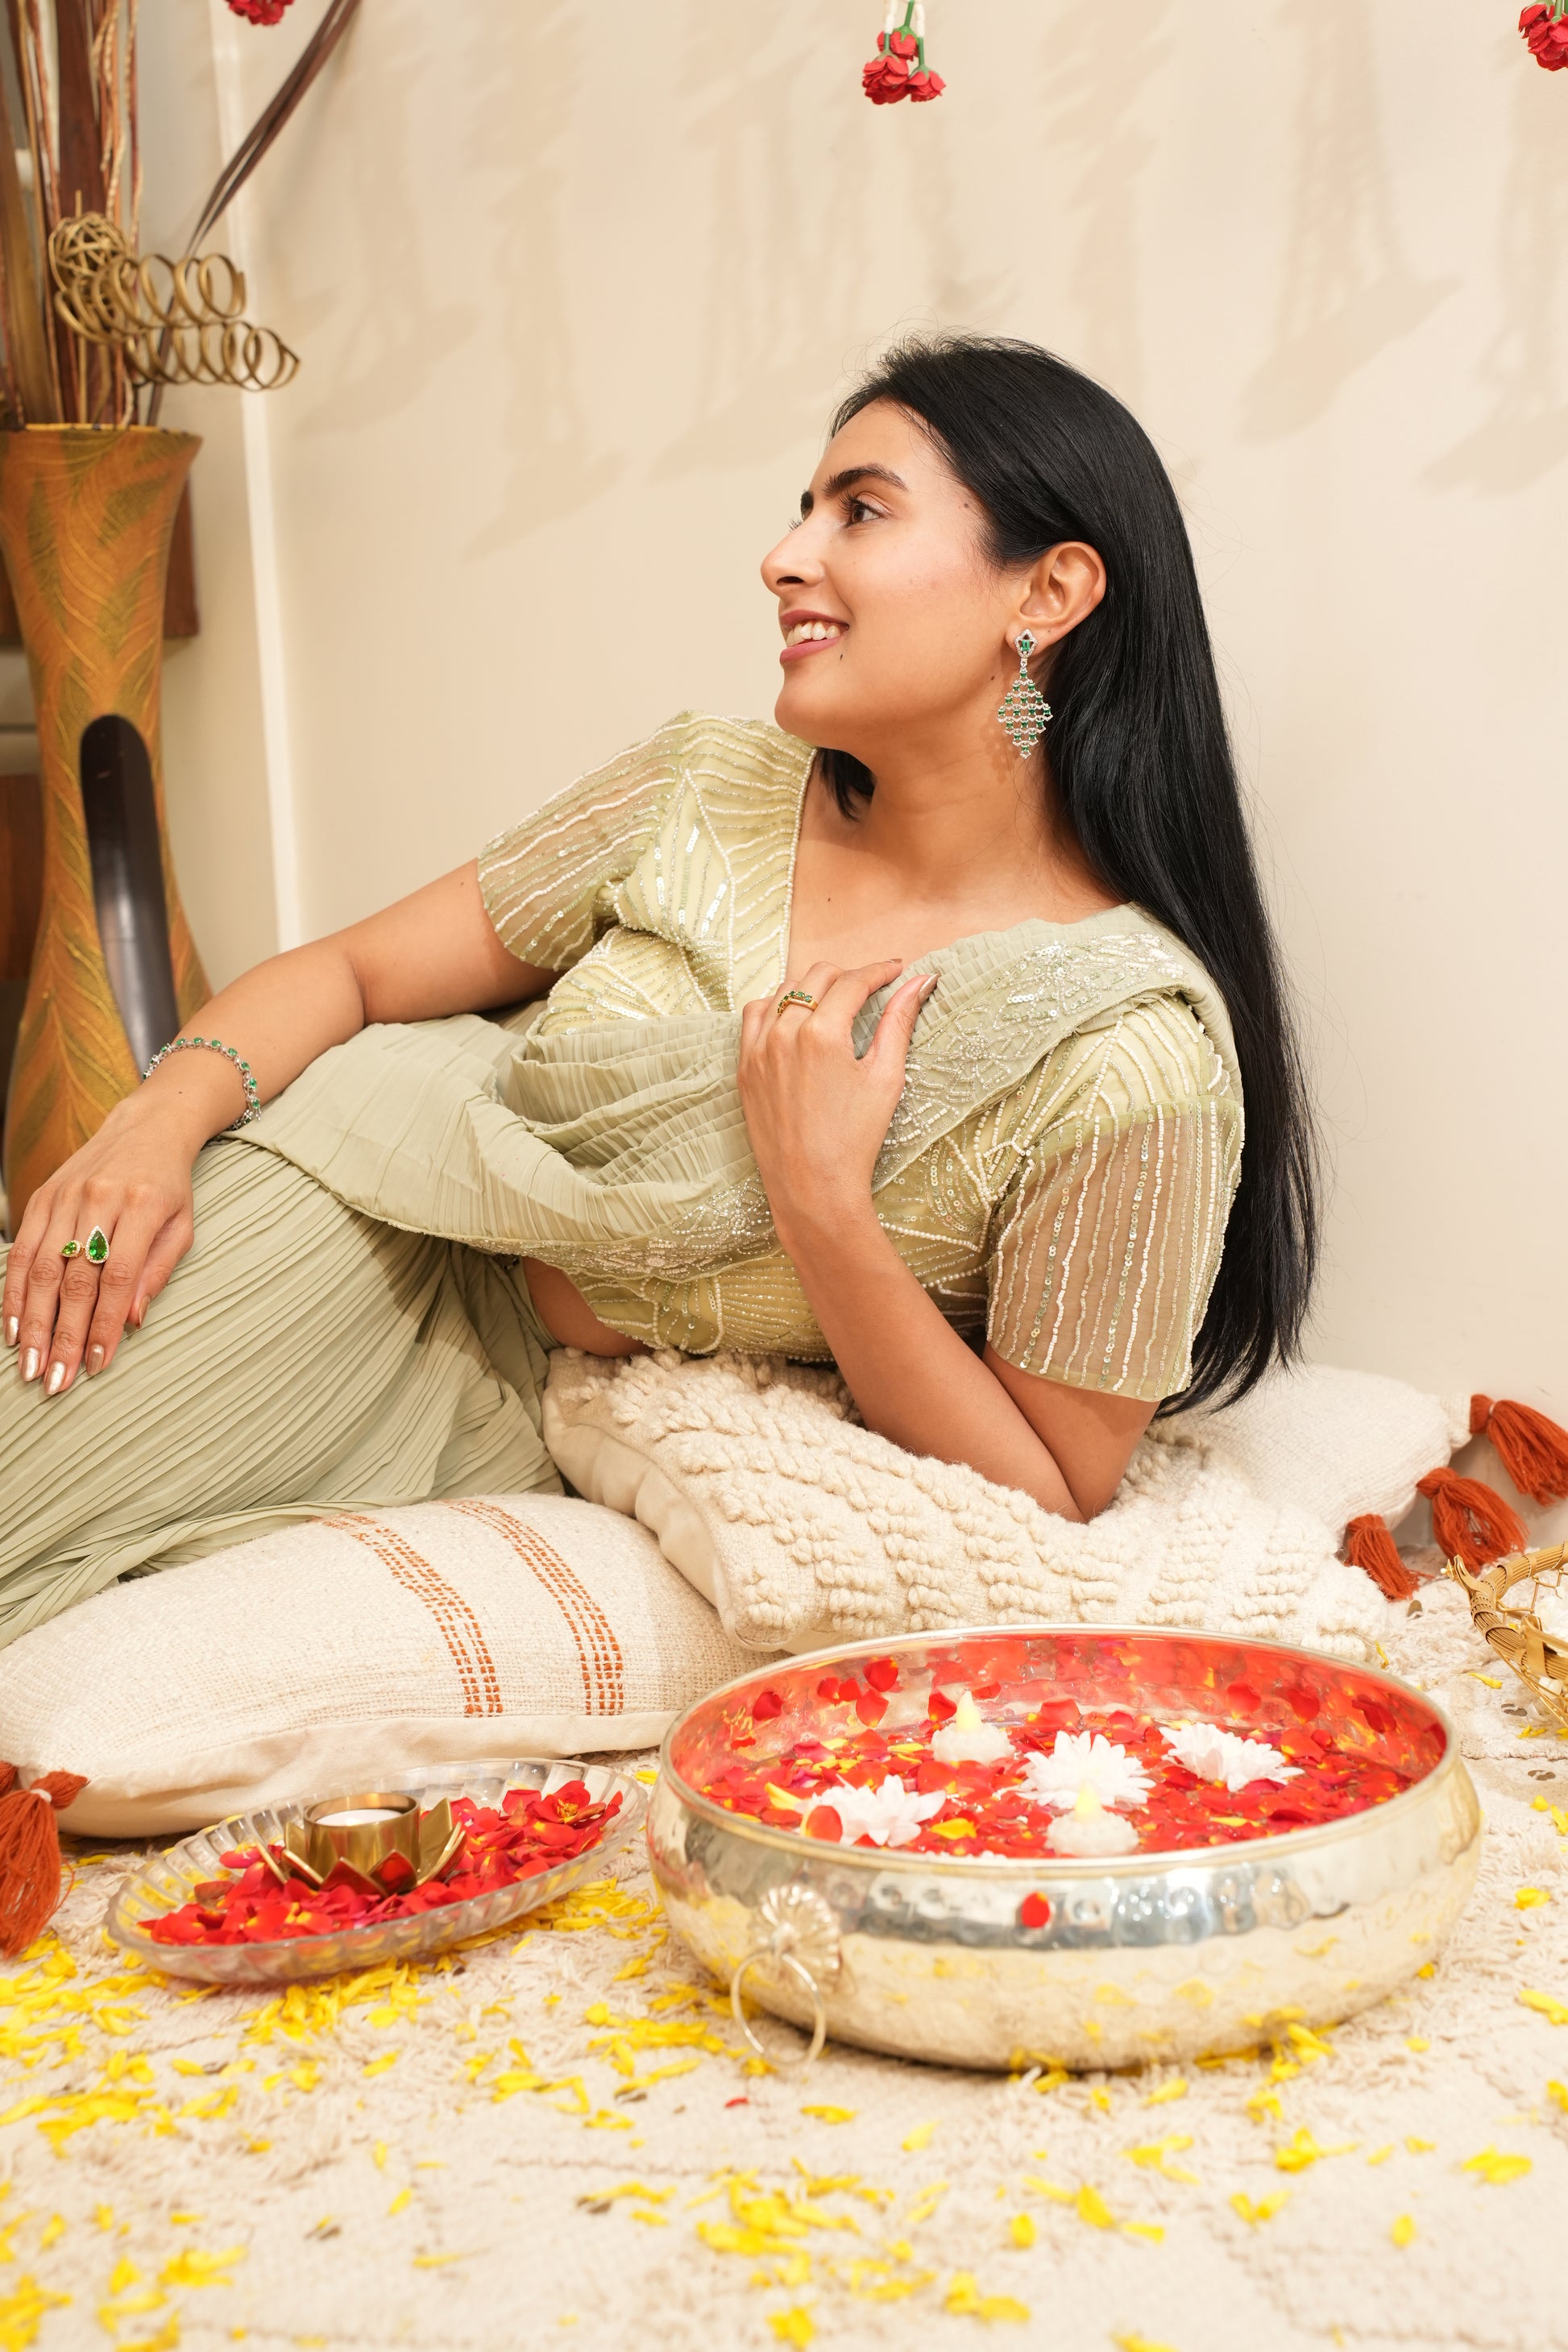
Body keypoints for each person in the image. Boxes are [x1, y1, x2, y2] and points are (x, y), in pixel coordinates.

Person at [0, 334, 1317, 1649]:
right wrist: (150, 1127)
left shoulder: (1124, 1053)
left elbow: (1053, 1483)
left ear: (1049, 590)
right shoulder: (701, 790)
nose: (784, 557)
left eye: (859, 511)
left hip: (495, 1415)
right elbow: (352, 971)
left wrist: (822, 1203)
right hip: (323, 1229)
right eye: (803, 511)